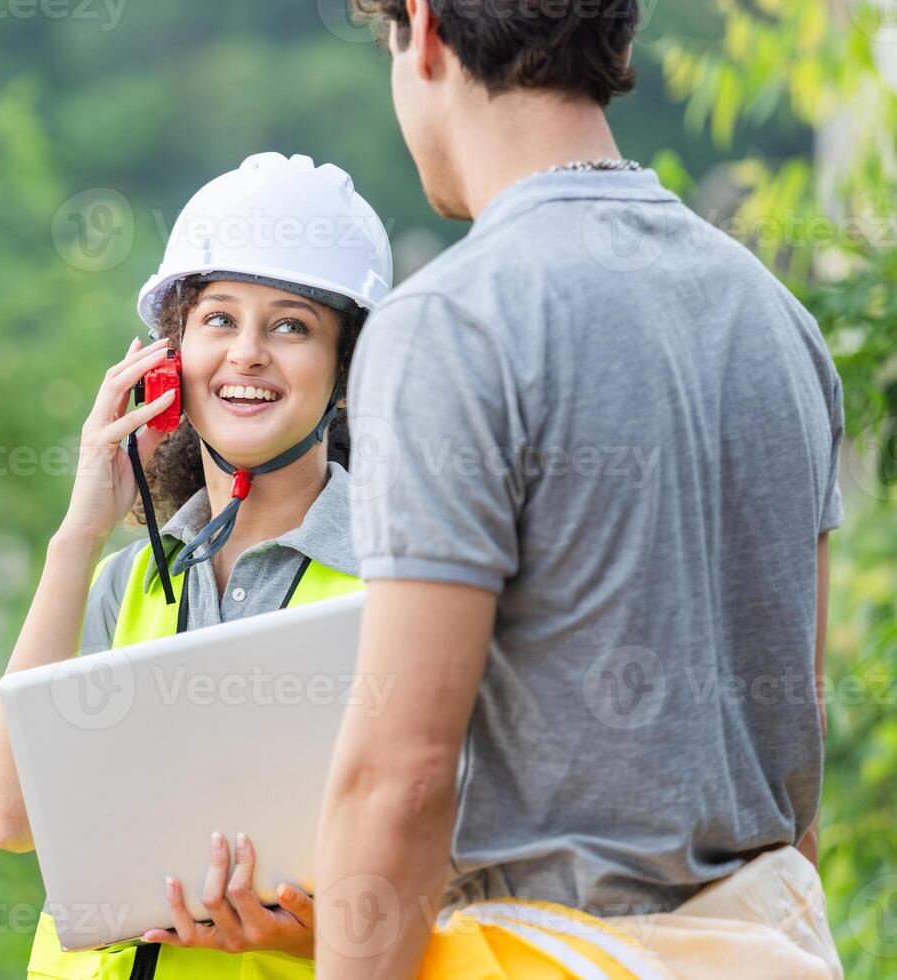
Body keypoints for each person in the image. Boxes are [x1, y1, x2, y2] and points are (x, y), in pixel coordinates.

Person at [311, 1, 846, 977]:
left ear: (422, 28)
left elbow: (403, 775)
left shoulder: (453, 322)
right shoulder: (777, 320)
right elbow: (792, 760)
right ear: (623, 40)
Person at [0, 152, 394, 978]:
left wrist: (303, 934)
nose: (246, 354)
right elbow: (7, 815)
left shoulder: (400, 583)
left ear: (345, 373)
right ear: (169, 363)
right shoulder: (123, 583)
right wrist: (80, 532)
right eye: (218, 320)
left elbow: (450, 881)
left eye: (290, 326)